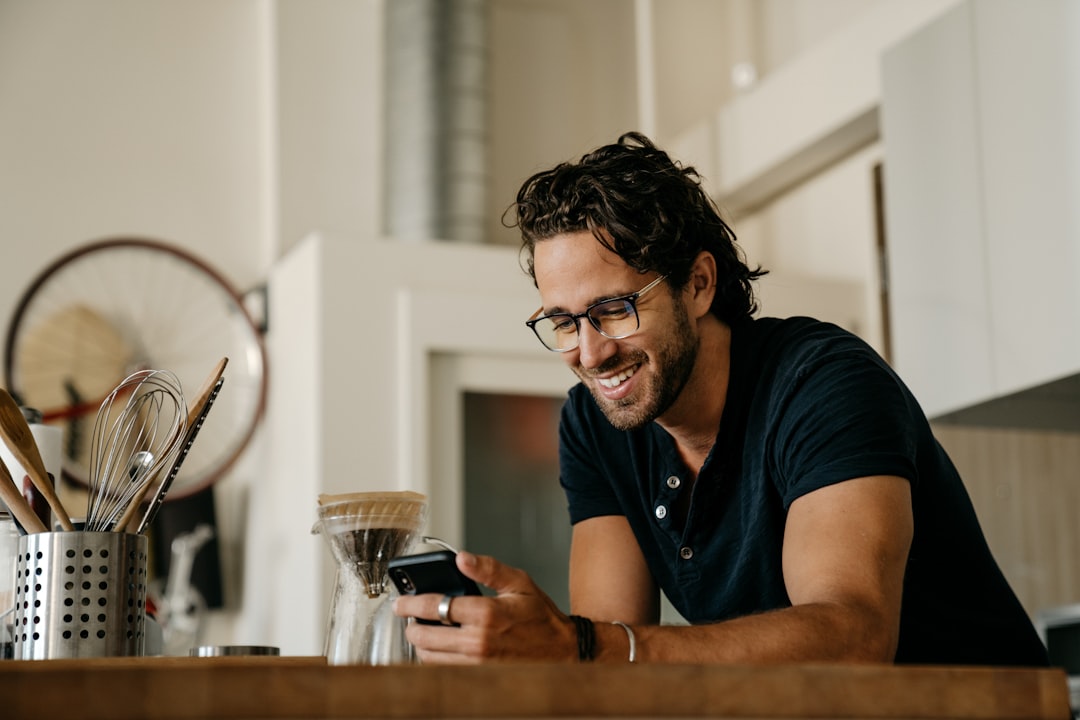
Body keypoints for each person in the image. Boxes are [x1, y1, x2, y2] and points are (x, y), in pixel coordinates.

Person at [393, 132, 1050, 667]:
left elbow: (853, 642)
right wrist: (535, 656)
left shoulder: (824, 383)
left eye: (615, 310)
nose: (589, 354)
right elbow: (603, 662)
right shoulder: (594, 428)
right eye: (563, 322)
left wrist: (580, 649)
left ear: (700, 284)